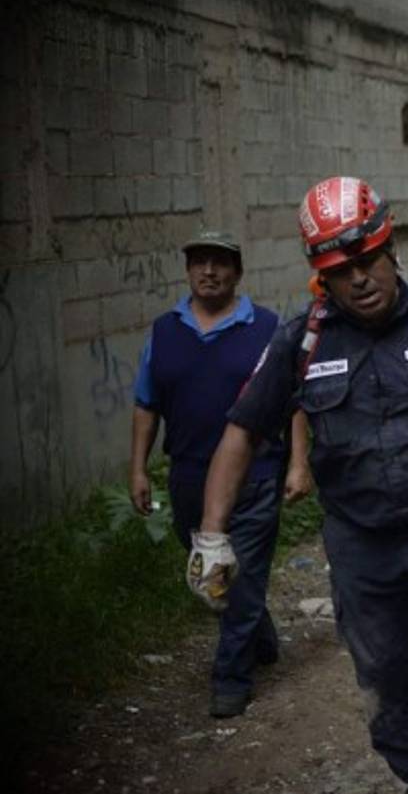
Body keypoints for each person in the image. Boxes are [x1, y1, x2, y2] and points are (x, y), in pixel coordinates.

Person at [189, 177, 408, 794]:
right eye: (339, 270)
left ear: (389, 247)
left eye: (366, 260)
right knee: (389, 682)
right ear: (321, 273)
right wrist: (213, 536)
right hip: (361, 543)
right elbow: (241, 434)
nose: (358, 280)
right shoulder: (302, 339)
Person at [128, 230, 307, 719]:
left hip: (256, 476)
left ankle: (230, 678)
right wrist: (139, 470)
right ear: (188, 271)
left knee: (239, 579)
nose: (209, 271)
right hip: (187, 477)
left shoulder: (266, 328)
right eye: (200, 262)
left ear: (237, 272)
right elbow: (146, 404)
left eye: (220, 263)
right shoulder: (164, 332)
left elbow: (292, 403)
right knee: (212, 575)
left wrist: (297, 462)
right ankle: (260, 634)